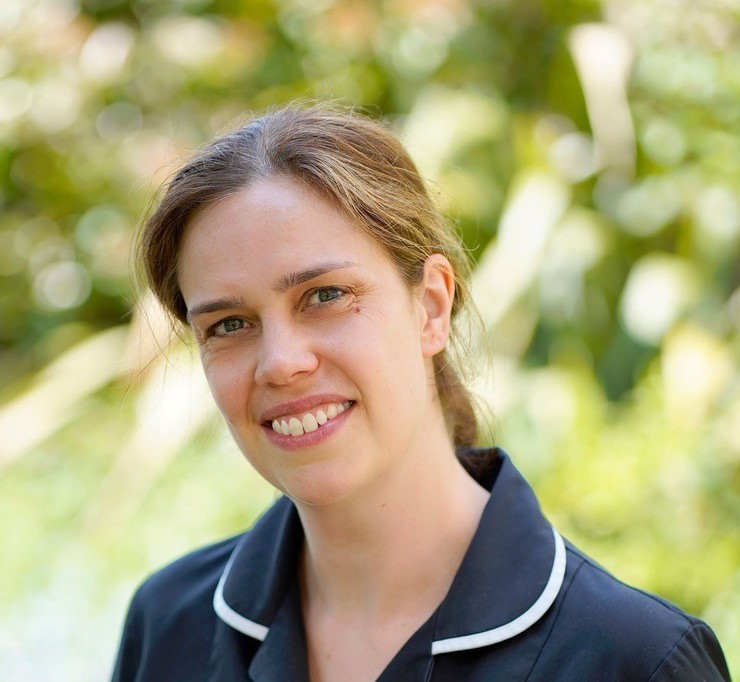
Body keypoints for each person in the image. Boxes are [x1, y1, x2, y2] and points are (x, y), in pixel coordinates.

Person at [111, 105, 730, 682]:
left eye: (325, 296)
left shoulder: (636, 660)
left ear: (431, 305)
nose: (281, 363)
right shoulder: (169, 624)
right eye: (229, 325)